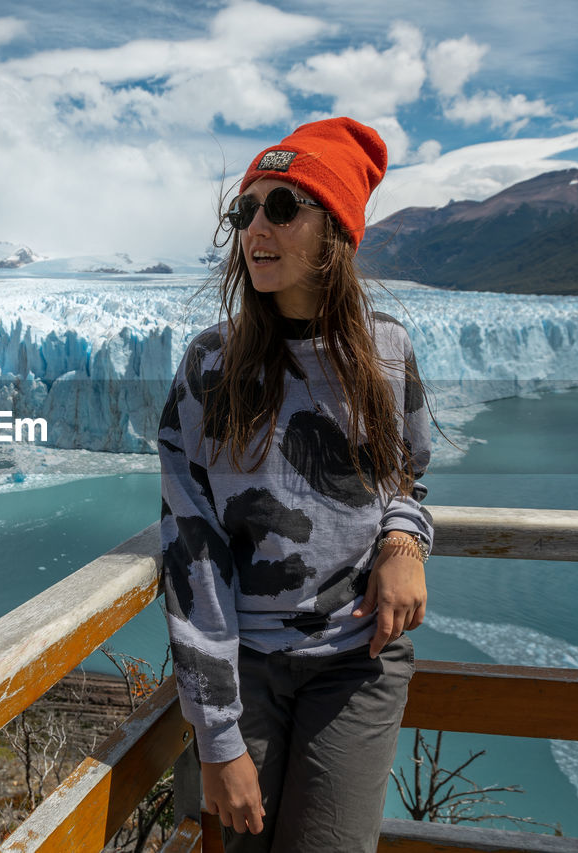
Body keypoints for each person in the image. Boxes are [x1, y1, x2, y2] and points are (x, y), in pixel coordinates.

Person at [158, 117, 433, 852]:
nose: (256, 227)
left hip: (358, 659)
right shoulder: (208, 368)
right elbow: (193, 551)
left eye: (284, 207)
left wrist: (405, 539)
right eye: (245, 209)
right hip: (245, 665)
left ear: (336, 230)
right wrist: (216, 736)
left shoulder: (388, 352)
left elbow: (409, 471)